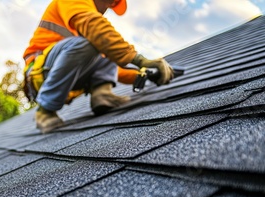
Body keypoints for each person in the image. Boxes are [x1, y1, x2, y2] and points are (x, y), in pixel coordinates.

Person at [23, 0, 174, 133]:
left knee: (105, 46)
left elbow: (114, 64)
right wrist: (140, 60)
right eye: (110, 1)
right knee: (97, 39)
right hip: (40, 75)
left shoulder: (88, 22)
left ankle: (102, 95)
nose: (109, 6)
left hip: (65, 72)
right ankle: (45, 112)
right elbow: (97, 31)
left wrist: (146, 76)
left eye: (113, 4)